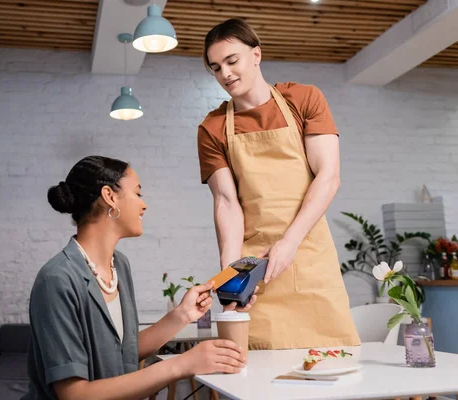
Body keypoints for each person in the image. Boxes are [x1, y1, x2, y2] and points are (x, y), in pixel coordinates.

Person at [22, 155, 246, 400]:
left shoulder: (119, 264)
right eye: (138, 194)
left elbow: (123, 353)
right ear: (110, 196)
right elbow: (74, 394)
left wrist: (182, 315)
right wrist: (181, 365)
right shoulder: (57, 280)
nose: (144, 204)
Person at [197, 19, 360, 350]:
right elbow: (226, 204)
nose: (225, 74)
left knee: (332, 365)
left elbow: (328, 176)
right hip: (257, 273)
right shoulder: (212, 128)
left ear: (256, 55)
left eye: (232, 61)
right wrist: (230, 276)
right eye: (216, 68)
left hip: (309, 254)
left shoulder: (303, 99)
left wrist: (289, 241)